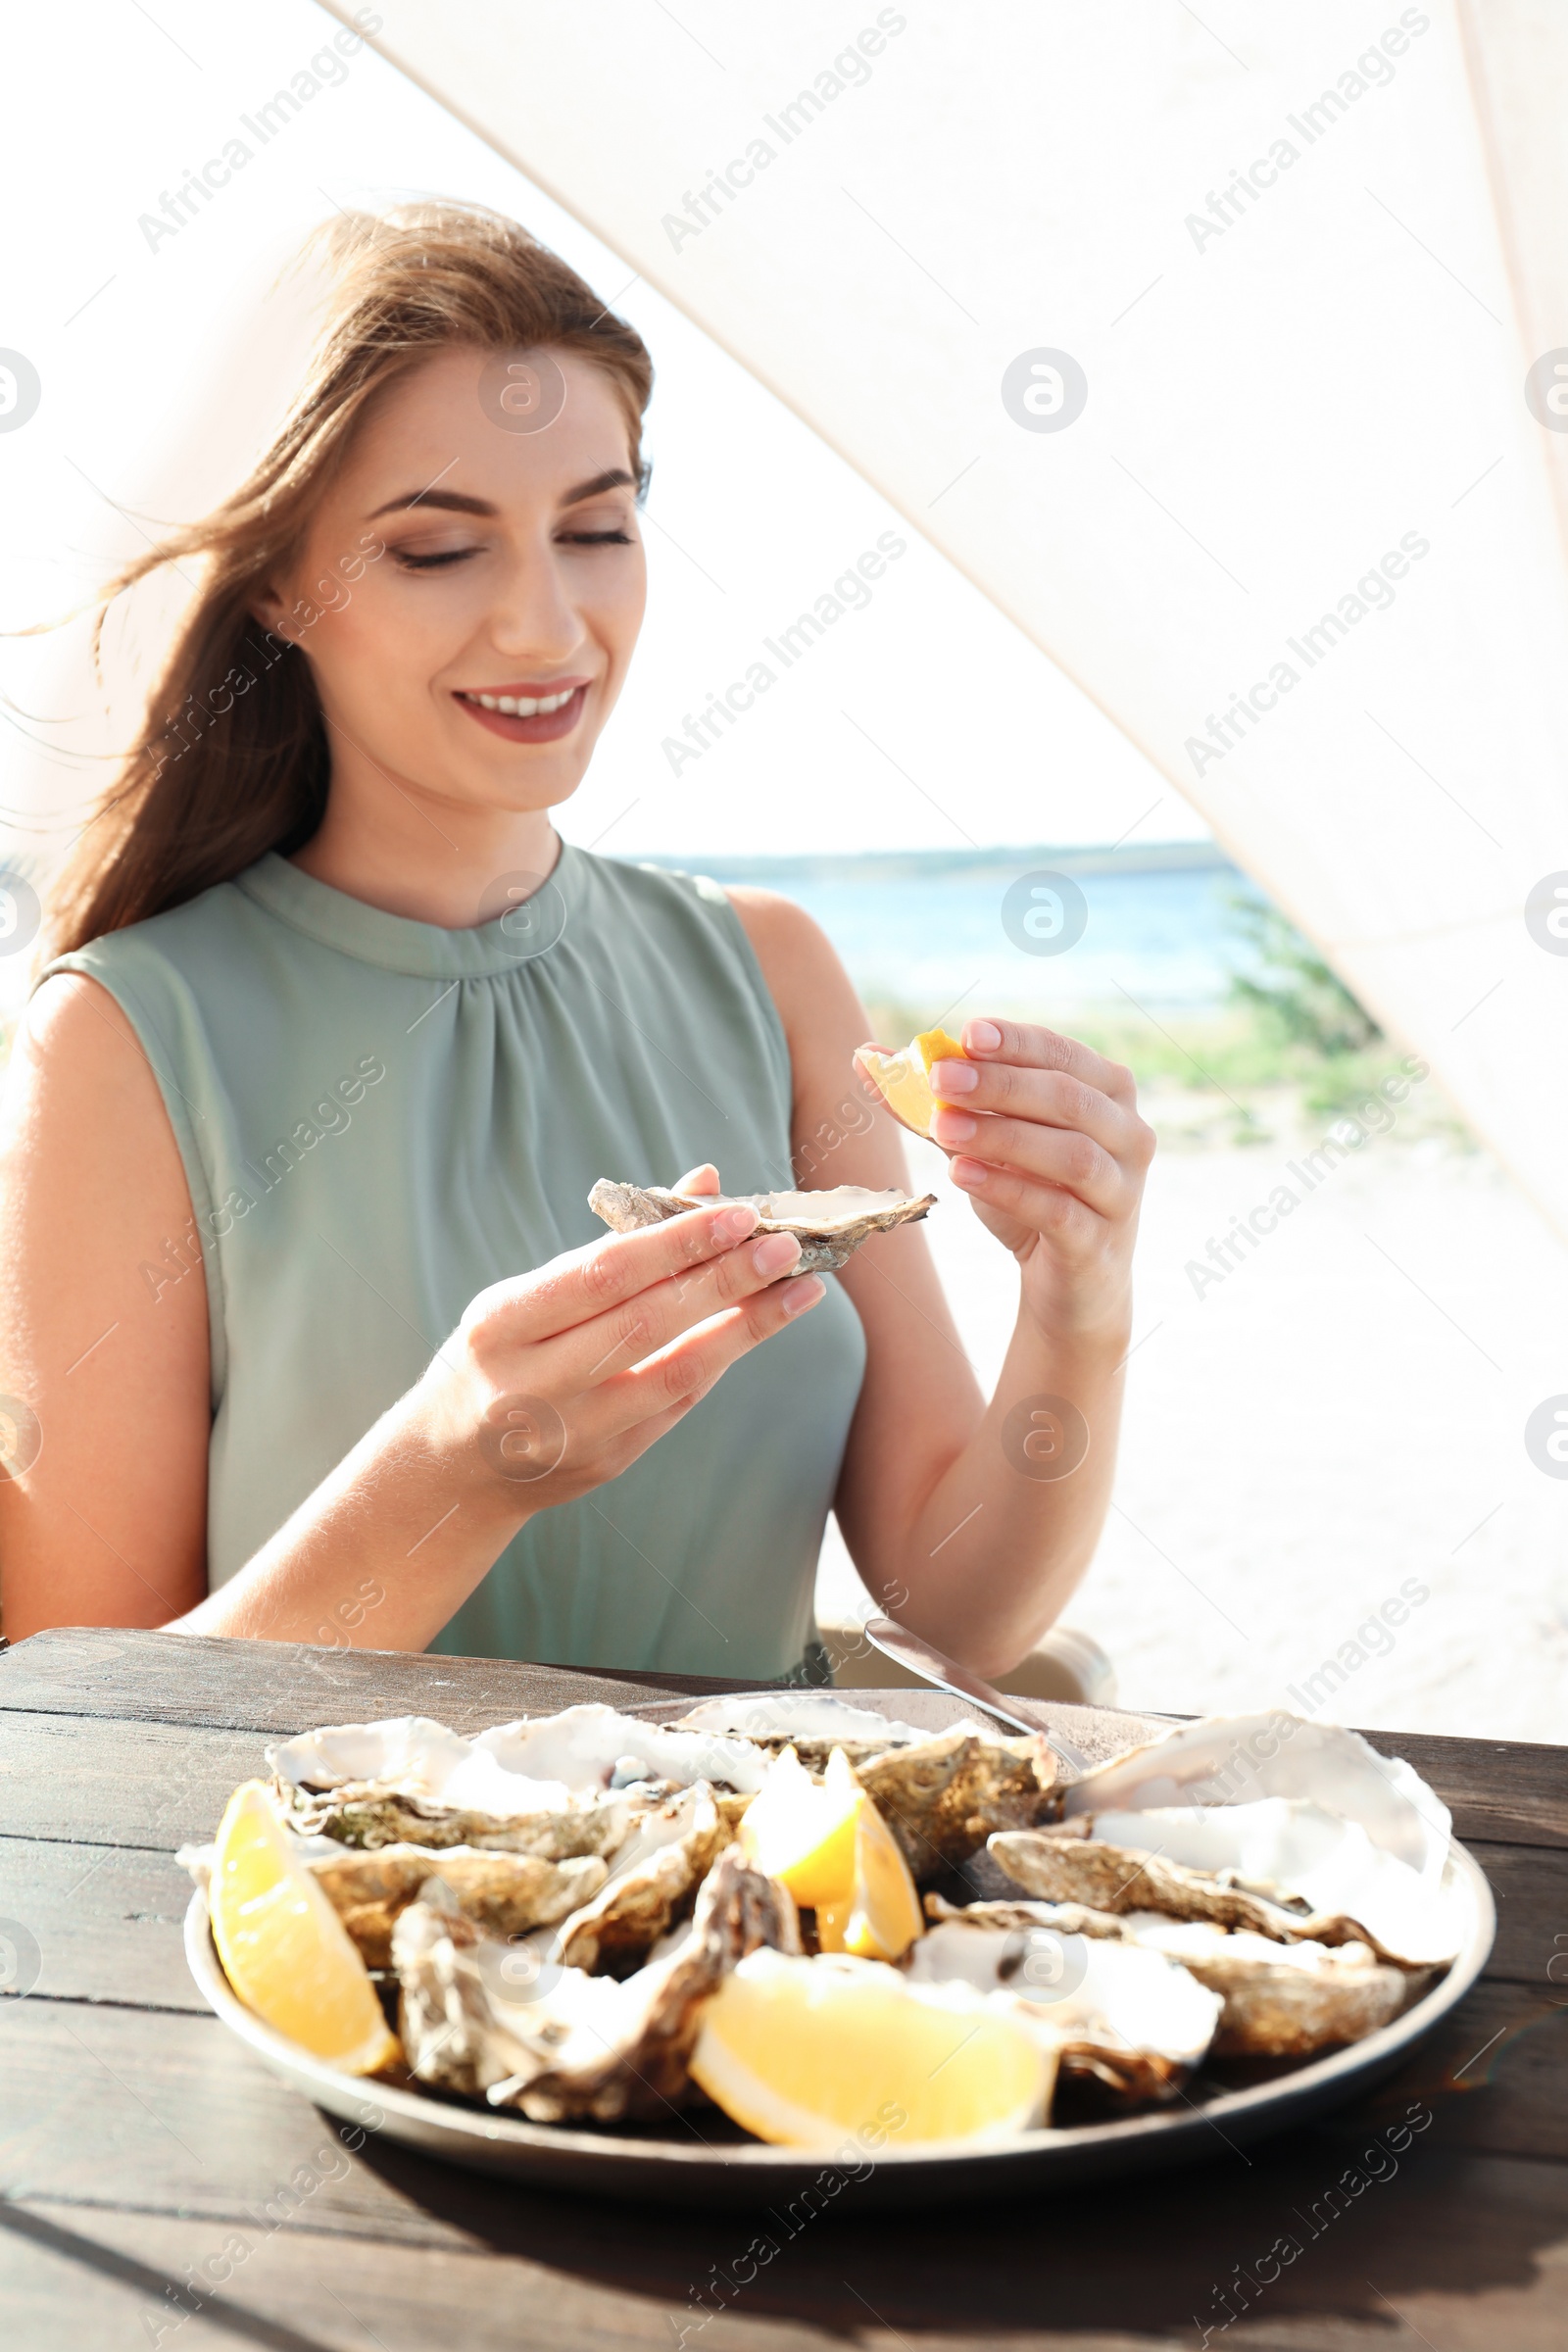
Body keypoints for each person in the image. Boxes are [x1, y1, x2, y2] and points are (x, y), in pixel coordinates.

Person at [0, 203, 1153, 1684]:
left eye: (597, 529)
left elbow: (952, 1615)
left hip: (754, 1906)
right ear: (285, 584)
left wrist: (1080, 1302)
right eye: (434, 550)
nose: (547, 626)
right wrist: (450, 1475)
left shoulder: (773, 973)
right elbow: (78, 1729)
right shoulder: (119, 1041)